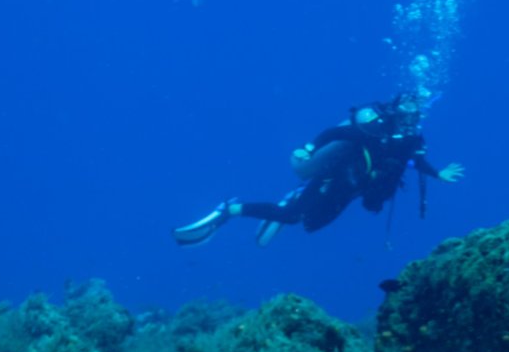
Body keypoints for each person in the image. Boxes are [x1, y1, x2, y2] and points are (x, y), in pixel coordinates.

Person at [175, 95, 464, 246]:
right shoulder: (372, 131)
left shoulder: (413, 140)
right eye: (406, 114)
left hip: (353, 189)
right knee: (292, 216)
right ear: (397, 112)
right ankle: (229, 210)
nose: (410, 120)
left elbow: (415, 161)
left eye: (415, 115)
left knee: (311, 225)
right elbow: (333, 134)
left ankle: (290, 200)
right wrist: (310, 149)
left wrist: (438, 174)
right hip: (335, 177)